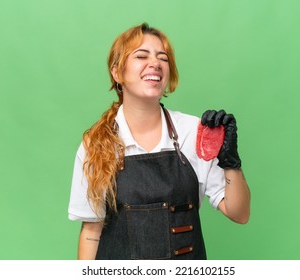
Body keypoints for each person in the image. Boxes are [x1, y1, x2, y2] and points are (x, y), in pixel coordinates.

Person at [68, 23, 250, 260]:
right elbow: (91, 232)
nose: (155, 63)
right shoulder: (96, 143)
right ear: (117, 72)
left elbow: (240, 213)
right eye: (141, 55)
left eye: (162, 58)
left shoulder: (192, 131)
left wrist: (231, 164)